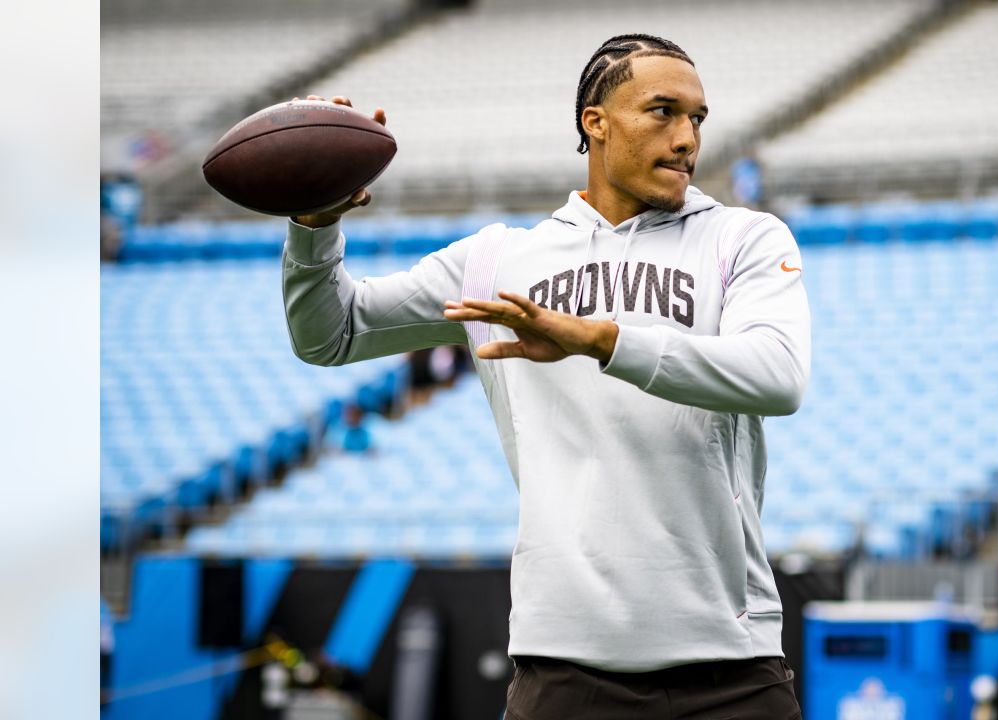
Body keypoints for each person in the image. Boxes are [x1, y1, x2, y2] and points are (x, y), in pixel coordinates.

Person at [280, 34, 810, 719]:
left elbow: (777, 376)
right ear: (596, 121)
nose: (686, 139)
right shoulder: (496, 261)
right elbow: (332, 334)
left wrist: (600, 339)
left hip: (732, 669)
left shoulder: (743, 239)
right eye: (662, 112)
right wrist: (314, 225)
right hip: (564, 671)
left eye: (697, 118)